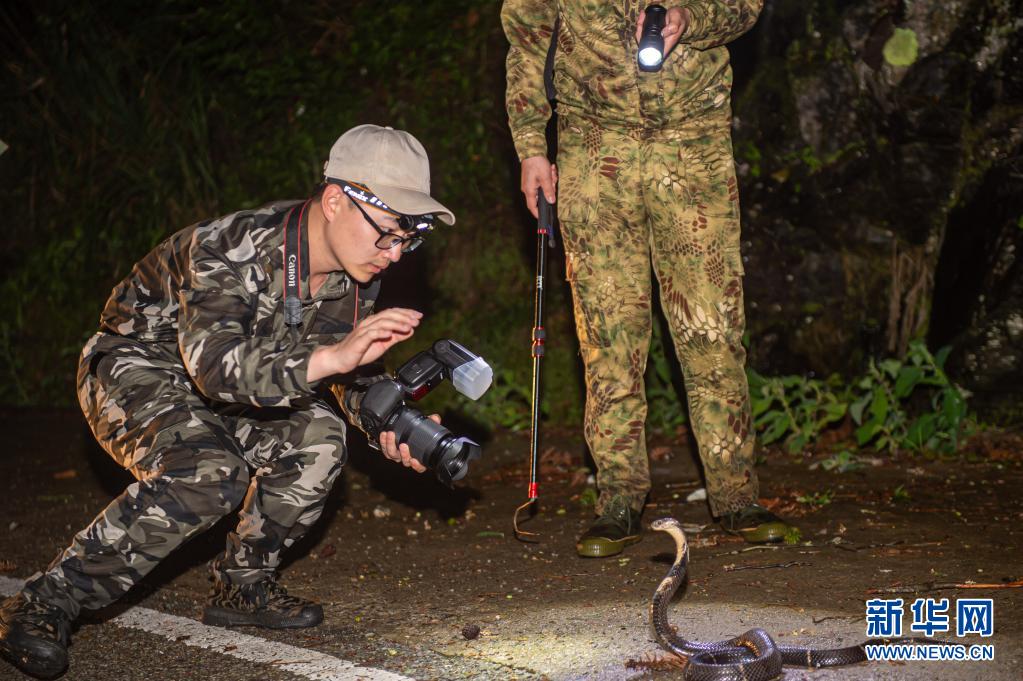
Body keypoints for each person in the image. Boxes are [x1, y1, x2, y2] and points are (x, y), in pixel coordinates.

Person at [0, 124, 454, 679]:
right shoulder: (229, 247)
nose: (395, 254)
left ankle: (243, 585)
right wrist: (332, 358)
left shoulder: (357, 275)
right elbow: (215, 366)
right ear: (336, 201)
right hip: (136, 365)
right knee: (209, 472)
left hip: (238, 385)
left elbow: (344, 369)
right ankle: (45, 602)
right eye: (387, 233)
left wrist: (390, 424)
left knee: (320, 439)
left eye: (409, 239)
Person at [501, 1, 794, 557]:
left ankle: (736, 496)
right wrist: (531, 148)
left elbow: (745, 7)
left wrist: (692, 18)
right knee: (607, 333)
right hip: (593, 148)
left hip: (692, 142)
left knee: (712, 326)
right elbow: (527, 39)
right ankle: (618, 499)